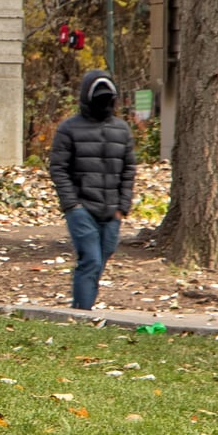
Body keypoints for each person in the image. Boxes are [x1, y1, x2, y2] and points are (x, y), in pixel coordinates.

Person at [48, 69, 136, 310]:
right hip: (82, 208)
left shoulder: (121, 130)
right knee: (91, 260)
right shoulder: (69, 129)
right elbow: (58, 168)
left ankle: (81, 308)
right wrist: (72, 205)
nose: (104, 102)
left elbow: (128, 169)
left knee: (101, 260)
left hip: (112, 211)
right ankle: (82, 315)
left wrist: (122, 207)